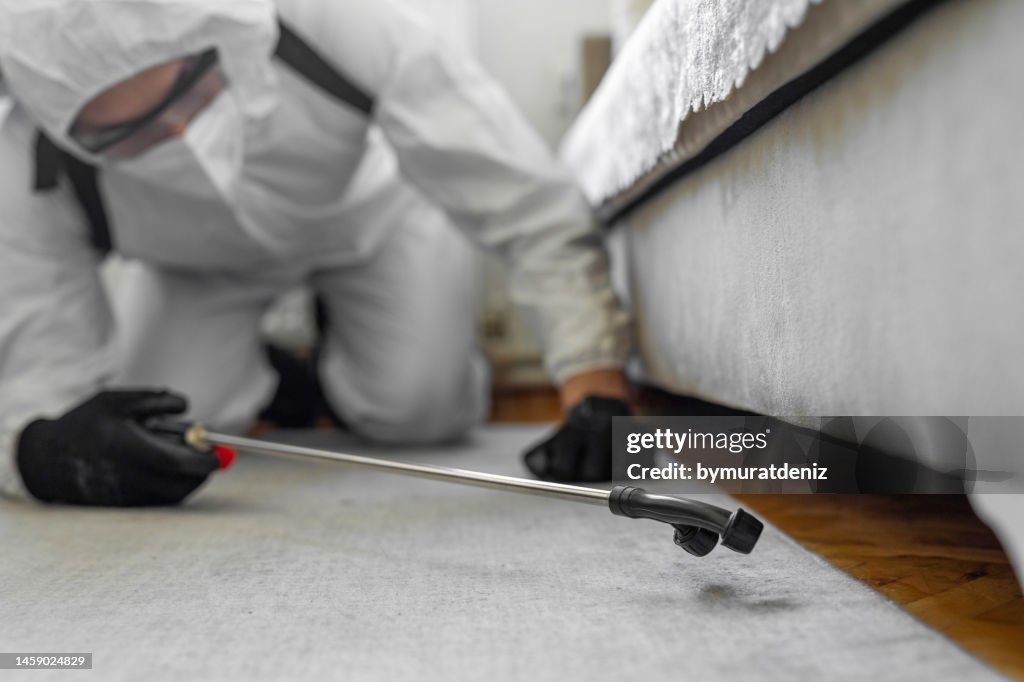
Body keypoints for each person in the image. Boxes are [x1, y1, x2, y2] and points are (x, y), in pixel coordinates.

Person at [0, 0, 632, 507]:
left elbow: (521, 197)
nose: (180, 134)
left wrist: (594, 378)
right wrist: (44, 454)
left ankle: (336, 352)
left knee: (421, 409)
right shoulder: (22, 162)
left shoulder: (336, 20)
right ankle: (288, 379)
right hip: (197, 271)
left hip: (372, 221)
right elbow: (34, 374)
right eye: (125, 132)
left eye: (191, 88)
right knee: (167, 431)